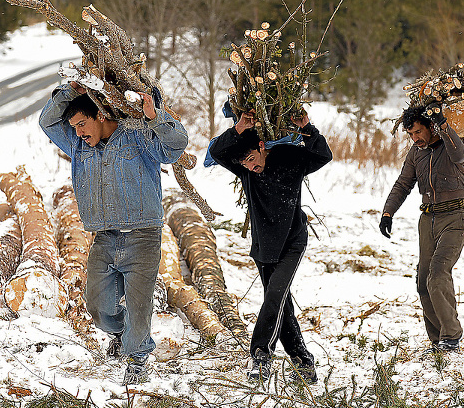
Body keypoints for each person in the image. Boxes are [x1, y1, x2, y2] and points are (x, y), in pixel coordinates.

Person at [39, 81, 188, 385]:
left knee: (138, 304)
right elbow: (46, 120)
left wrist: (154, 116)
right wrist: (72, 92)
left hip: (143, 235)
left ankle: (136, 359)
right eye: (74, 126)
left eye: (82, 123)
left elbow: (175, 147)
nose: (78, 131)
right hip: (105, 237)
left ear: (102, 116)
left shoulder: (137, 135)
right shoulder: (77, 144)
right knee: (97, 304)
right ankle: (119, 333)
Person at [209, 109, 332, 384]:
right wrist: (238, 128)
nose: (251, 167)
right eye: (246, 165)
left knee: (275, 295)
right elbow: (217, 152)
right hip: (264, 246)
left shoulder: (290, 157)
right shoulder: (247, 171)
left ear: (262, 147)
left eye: (253, 159)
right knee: (280, 303)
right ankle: (302, 359)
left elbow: (324, 155)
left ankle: (261, 354)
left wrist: (307, 127)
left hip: (292, 241)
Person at [379, 104, 464, 352]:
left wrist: (444, 124)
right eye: (410, 134)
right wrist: (388, 212)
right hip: (428, 220)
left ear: (431, 126)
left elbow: (460, 156)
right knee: (423, 280)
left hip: (456, 217)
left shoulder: (457, 140)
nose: (415, 138)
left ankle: (451, 335)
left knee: (438, 273)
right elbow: (403, 183)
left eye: (418, 132)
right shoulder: (416, 152)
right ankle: (438, 338)